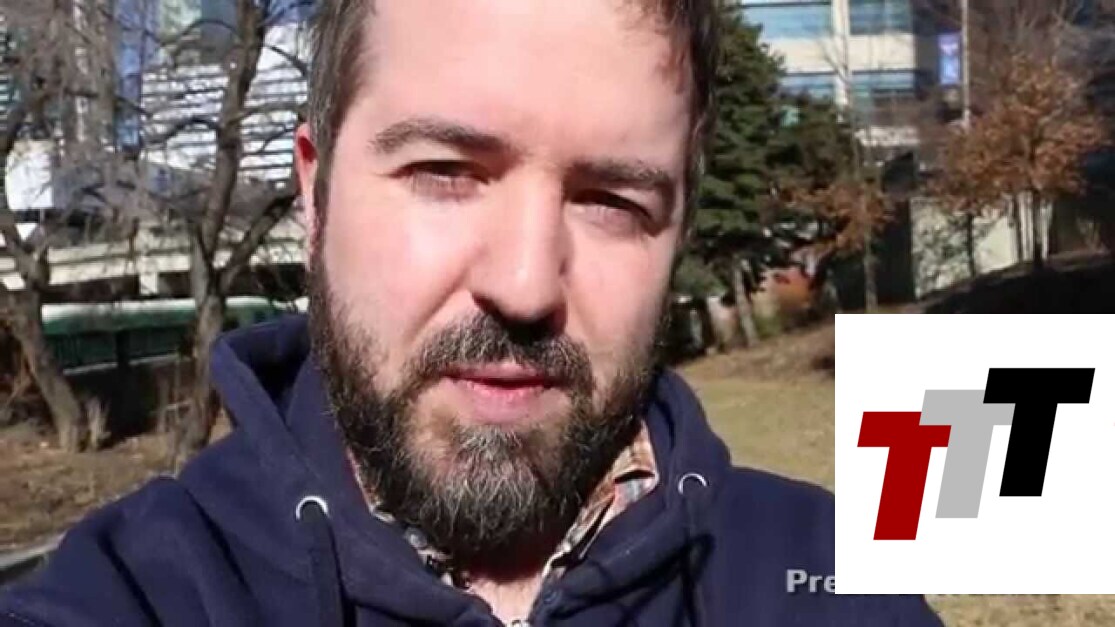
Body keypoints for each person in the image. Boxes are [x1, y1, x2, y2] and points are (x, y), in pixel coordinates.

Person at [0, 1, 943, 625]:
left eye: (611, 200)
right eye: (444, 172)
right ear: (316, 191)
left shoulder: (832, 586)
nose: (525, 285)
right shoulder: (133, 593)